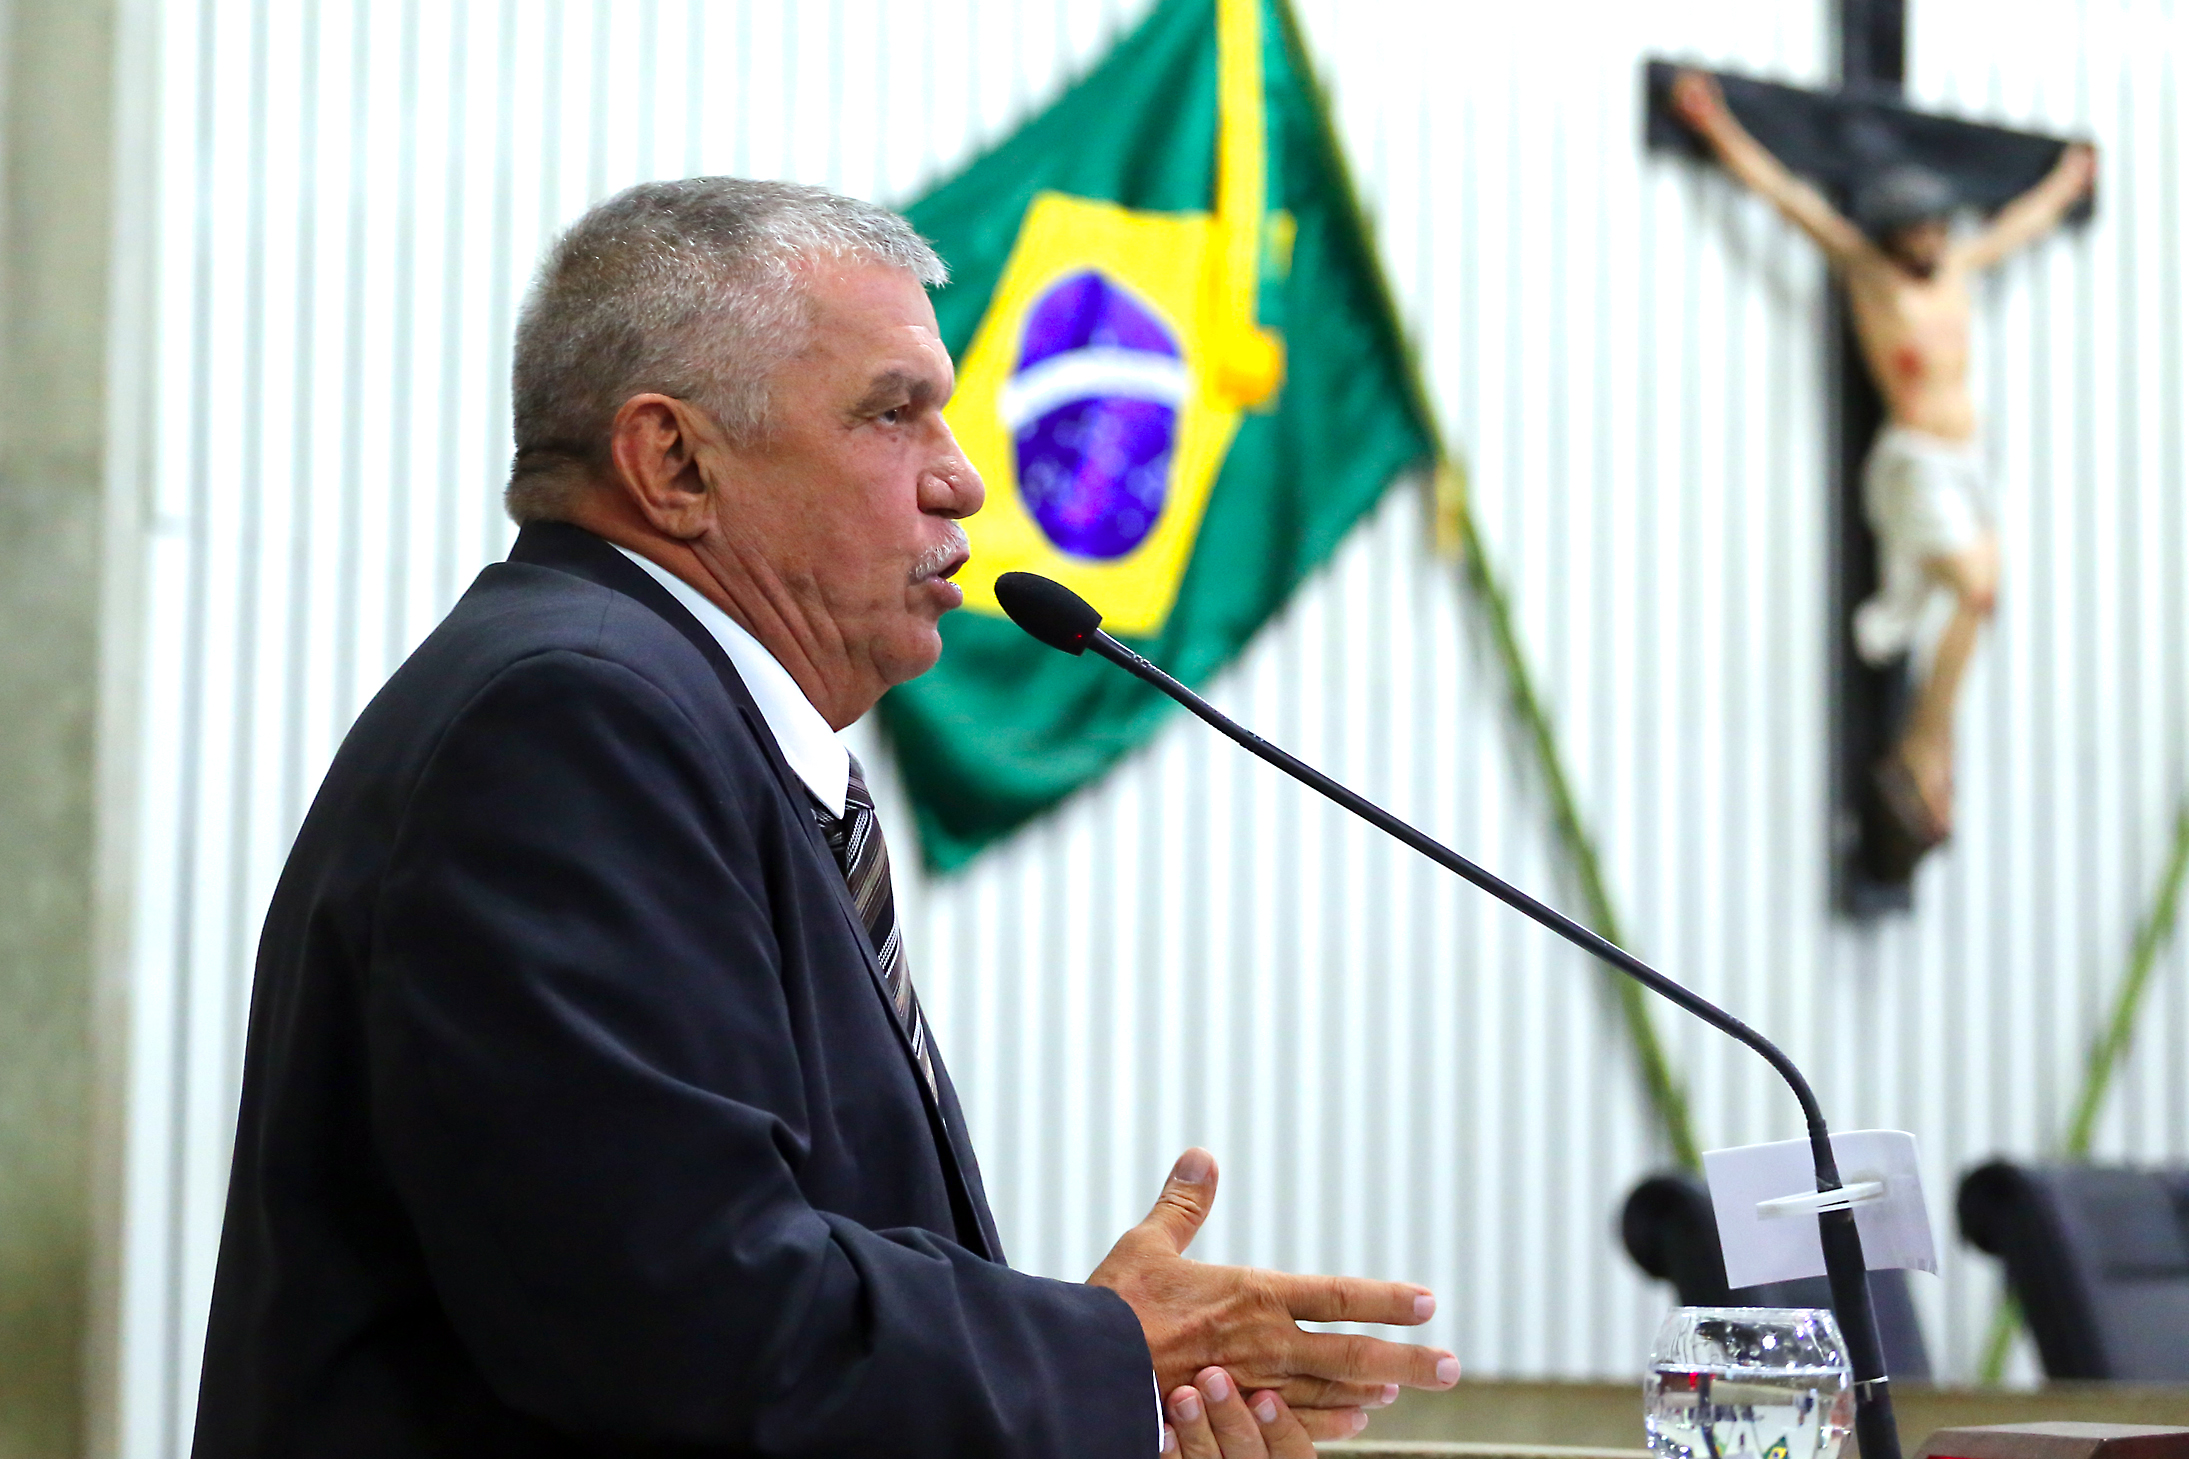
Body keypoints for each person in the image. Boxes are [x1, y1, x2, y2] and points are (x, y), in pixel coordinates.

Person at [191, 178, 1460, 1458]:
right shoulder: (570, 723)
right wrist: (1104, 1359)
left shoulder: (681, 728)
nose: (962, 480)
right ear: (674, 462)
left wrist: (1087, 1401)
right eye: (893, 414)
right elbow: (684, 1316)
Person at [1672, 71, 2095, 864]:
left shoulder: (1958, 269)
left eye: (1936, 228)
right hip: (1916, 464)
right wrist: (1715, 126)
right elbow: (1786, 198)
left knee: (1979, 602)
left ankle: (1928, 753)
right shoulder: (1868, 273)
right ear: (1893, 233)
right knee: (1974, 590)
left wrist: (2067, 182)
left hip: (1967, 464)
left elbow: (2020, 225)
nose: (1931, 241)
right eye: (1918, 231)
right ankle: (1921, 750)